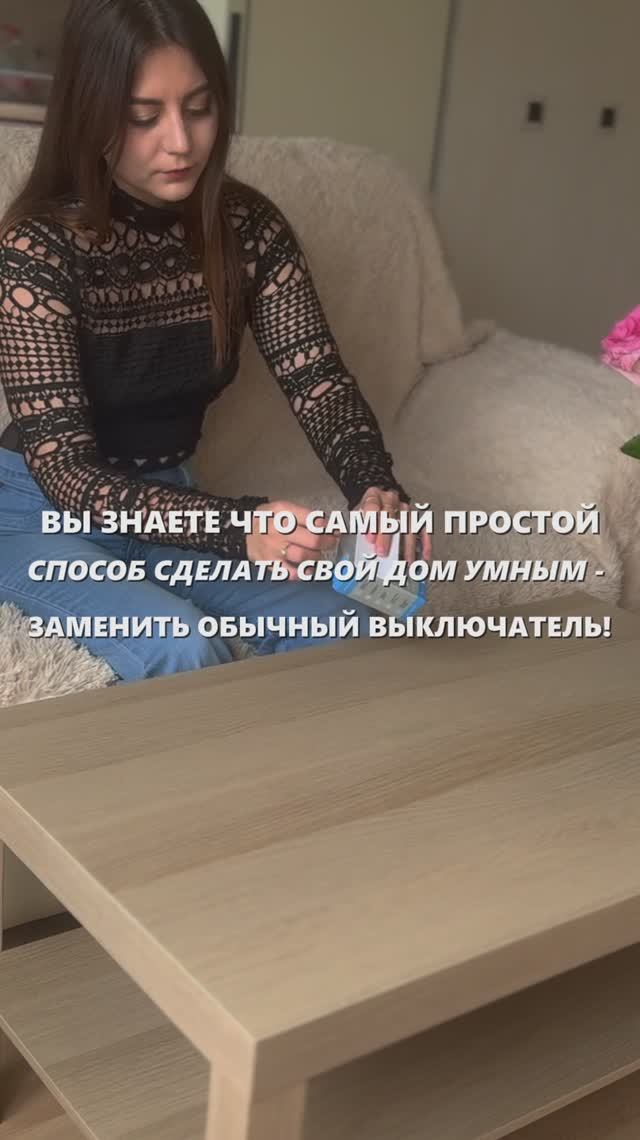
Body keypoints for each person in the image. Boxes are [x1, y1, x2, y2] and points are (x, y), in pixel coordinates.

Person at [0, 0, 426, 685]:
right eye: (143, 117)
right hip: (37, 515)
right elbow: (69, 474)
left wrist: (375, 488)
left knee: (356, 627)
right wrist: (239, 527)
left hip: (171, 502)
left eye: (198, 109)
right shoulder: (36, 252)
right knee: (182, 648)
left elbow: (317, 381)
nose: (181, 142)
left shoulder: (247, 227)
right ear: (90, 114)